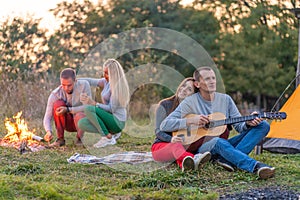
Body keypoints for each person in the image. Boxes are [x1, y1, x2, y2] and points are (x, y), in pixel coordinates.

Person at [160, 67, 275, 179]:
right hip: (202, 150)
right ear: (197, 84)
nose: (212, 82)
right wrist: (191, 121)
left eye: (213, 78)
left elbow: (239, 127)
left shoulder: (226, 100)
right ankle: (256, 167)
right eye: (207, 79)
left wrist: (248, 124)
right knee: (217, 141)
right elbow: (165, 124)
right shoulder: (190, 102)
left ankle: (225, 160)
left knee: (263, 126)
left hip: (223, 145)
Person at [151, 77, 211, 172]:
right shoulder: (164, 104)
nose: (184, 90)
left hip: (182, 147)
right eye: (183, 86)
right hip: (161, 146)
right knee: (176, 146)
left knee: (181, 149)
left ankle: (187, 166)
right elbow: (158, 131)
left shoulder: (193, 111)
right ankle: (195, 159)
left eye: (189, 89)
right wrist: (171, 139)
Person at [78, 59, 129, 148]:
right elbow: (90, 81)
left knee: (88, 108)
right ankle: (111, 134)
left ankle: (107, 137)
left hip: (117, 121)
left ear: (114, 74)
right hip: (109, 118)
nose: (105, 76)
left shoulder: (117, 87)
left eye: (108, 73)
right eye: (104, 73)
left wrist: (94, 103)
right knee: (82, 123)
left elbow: (111, 109)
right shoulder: (106, 82)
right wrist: (75, 80)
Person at [43, 68, 92, 147]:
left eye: (69, 85)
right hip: (66, 122)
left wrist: (68, 110)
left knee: (80, 114)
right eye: (63, 85)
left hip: (81, 121)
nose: (66, 88)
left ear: (75, 81)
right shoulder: (56, 94)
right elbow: (47, 116)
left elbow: (88, 107)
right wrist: (48, 131)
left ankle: (79, 139)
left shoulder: (84, 85)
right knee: (58, 104)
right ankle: (60, 139)